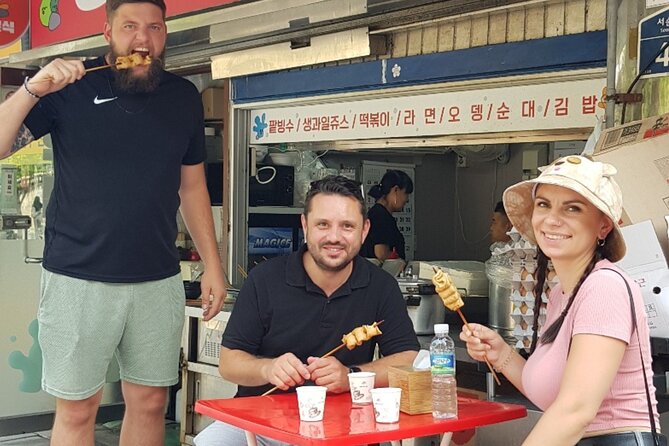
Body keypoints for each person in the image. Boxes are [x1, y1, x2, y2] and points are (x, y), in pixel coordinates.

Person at [0, 1, 226, 445]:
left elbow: (192, 188)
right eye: (130, 27)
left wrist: (214, 266)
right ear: (107, 33)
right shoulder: (69, 88)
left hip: (157, 279)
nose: (143, 40)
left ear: (165, 33)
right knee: (78, 408)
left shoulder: (182, 96)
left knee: (150, 402)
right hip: (76, 277)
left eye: (155, 28)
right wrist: (32, 88)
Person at [194, 175, 420, 446]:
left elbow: (408, 359)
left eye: (347, 226)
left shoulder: (381, 286)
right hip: (259, 424)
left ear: (364, 230)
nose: (334, 237)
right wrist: (268, 369)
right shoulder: (265, 279)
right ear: (305, 225)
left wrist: (351, 376)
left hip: (344, 427)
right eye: (322, 224)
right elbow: (229, 363)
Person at [461, 156, 662, 445]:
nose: (552, 219)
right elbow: (554, 393)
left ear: (603, 227)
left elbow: (575, 410)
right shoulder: (562, 292)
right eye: (543, 204)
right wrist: (501, 354)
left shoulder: (604, 287)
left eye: (573, 208)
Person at [360, 169, 413, 261]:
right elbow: (381, 253)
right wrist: (400, 262)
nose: (407, 199)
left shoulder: (378, 213)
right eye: (406, 193)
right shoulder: (380, 216)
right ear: (395, 190)